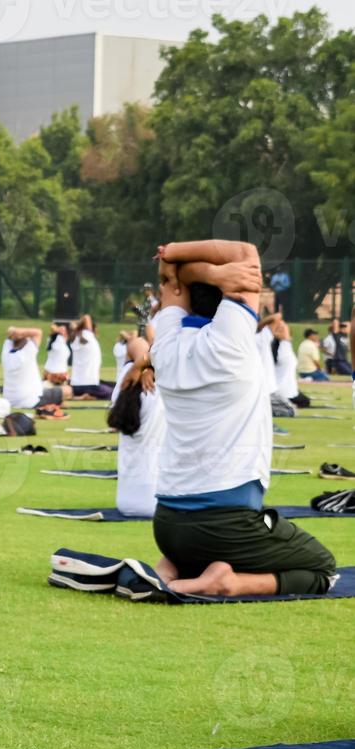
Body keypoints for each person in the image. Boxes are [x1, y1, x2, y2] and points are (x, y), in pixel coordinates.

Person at [137, 239, 335, 596]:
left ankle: (176, 565)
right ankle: (228, 582)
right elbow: (244, 255)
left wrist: (197, 266)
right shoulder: (231, 342)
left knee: (215, 543)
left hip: (167, 527)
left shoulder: (164, 344)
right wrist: (211, 270)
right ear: (232, 294)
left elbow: (171, 277)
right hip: (224, 525)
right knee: (321, 567)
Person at [107, 334, 165, 519]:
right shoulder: (164, 388)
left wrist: (142, 365)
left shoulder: (124, 384)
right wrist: (145, 365)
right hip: (160, 503)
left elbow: (136, 344)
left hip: (125, 503)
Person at [1, 326, 72, 412]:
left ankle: (55, 402)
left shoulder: (5, 353)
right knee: (68, 390)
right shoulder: (27, 352)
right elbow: (38, 332)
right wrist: (17, 332)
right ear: (26, 344)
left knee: (47, 389)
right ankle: (54, 403)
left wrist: (16, 332)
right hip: (31, 401)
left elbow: (9, 334)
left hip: (10, 401)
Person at [69, 315, 113, 400]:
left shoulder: (76, 339)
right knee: (114, 393)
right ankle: (92, 397)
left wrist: (76, 327)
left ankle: (78, 397)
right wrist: (78, 327)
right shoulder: (87, 336)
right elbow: (86, 317)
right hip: (90, 386)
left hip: (75, 387)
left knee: (109, 385)